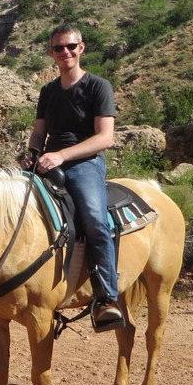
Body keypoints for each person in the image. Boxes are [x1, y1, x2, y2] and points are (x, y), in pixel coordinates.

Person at [20, 23, 124, 331]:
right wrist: (32, 153)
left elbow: (105, 137)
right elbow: (39, 132)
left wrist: (63, 155)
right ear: (51, 53)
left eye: (70, 46)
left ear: (81, 48)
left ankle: (106, 297)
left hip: (85, 163)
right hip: (48, 161)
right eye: (58, 48)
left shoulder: (98, 86)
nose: (65, 52)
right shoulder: (48, 91)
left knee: (94, 218)